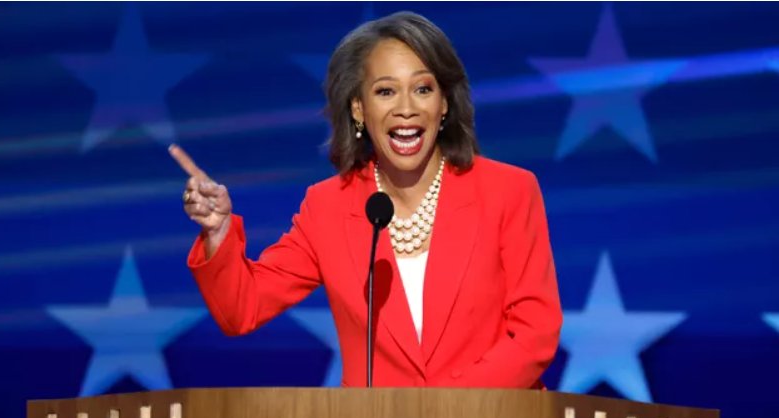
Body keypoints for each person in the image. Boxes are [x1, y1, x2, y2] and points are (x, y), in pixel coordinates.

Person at [171, 11, 563, 388]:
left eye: (423, 89)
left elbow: (535, 332)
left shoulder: (508, 190)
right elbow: (243, 309)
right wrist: (217, 231)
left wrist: (446, 411)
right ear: (359, 108)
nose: (406, 109)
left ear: (444, 103)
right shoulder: (328, 207)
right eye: (386, 91)